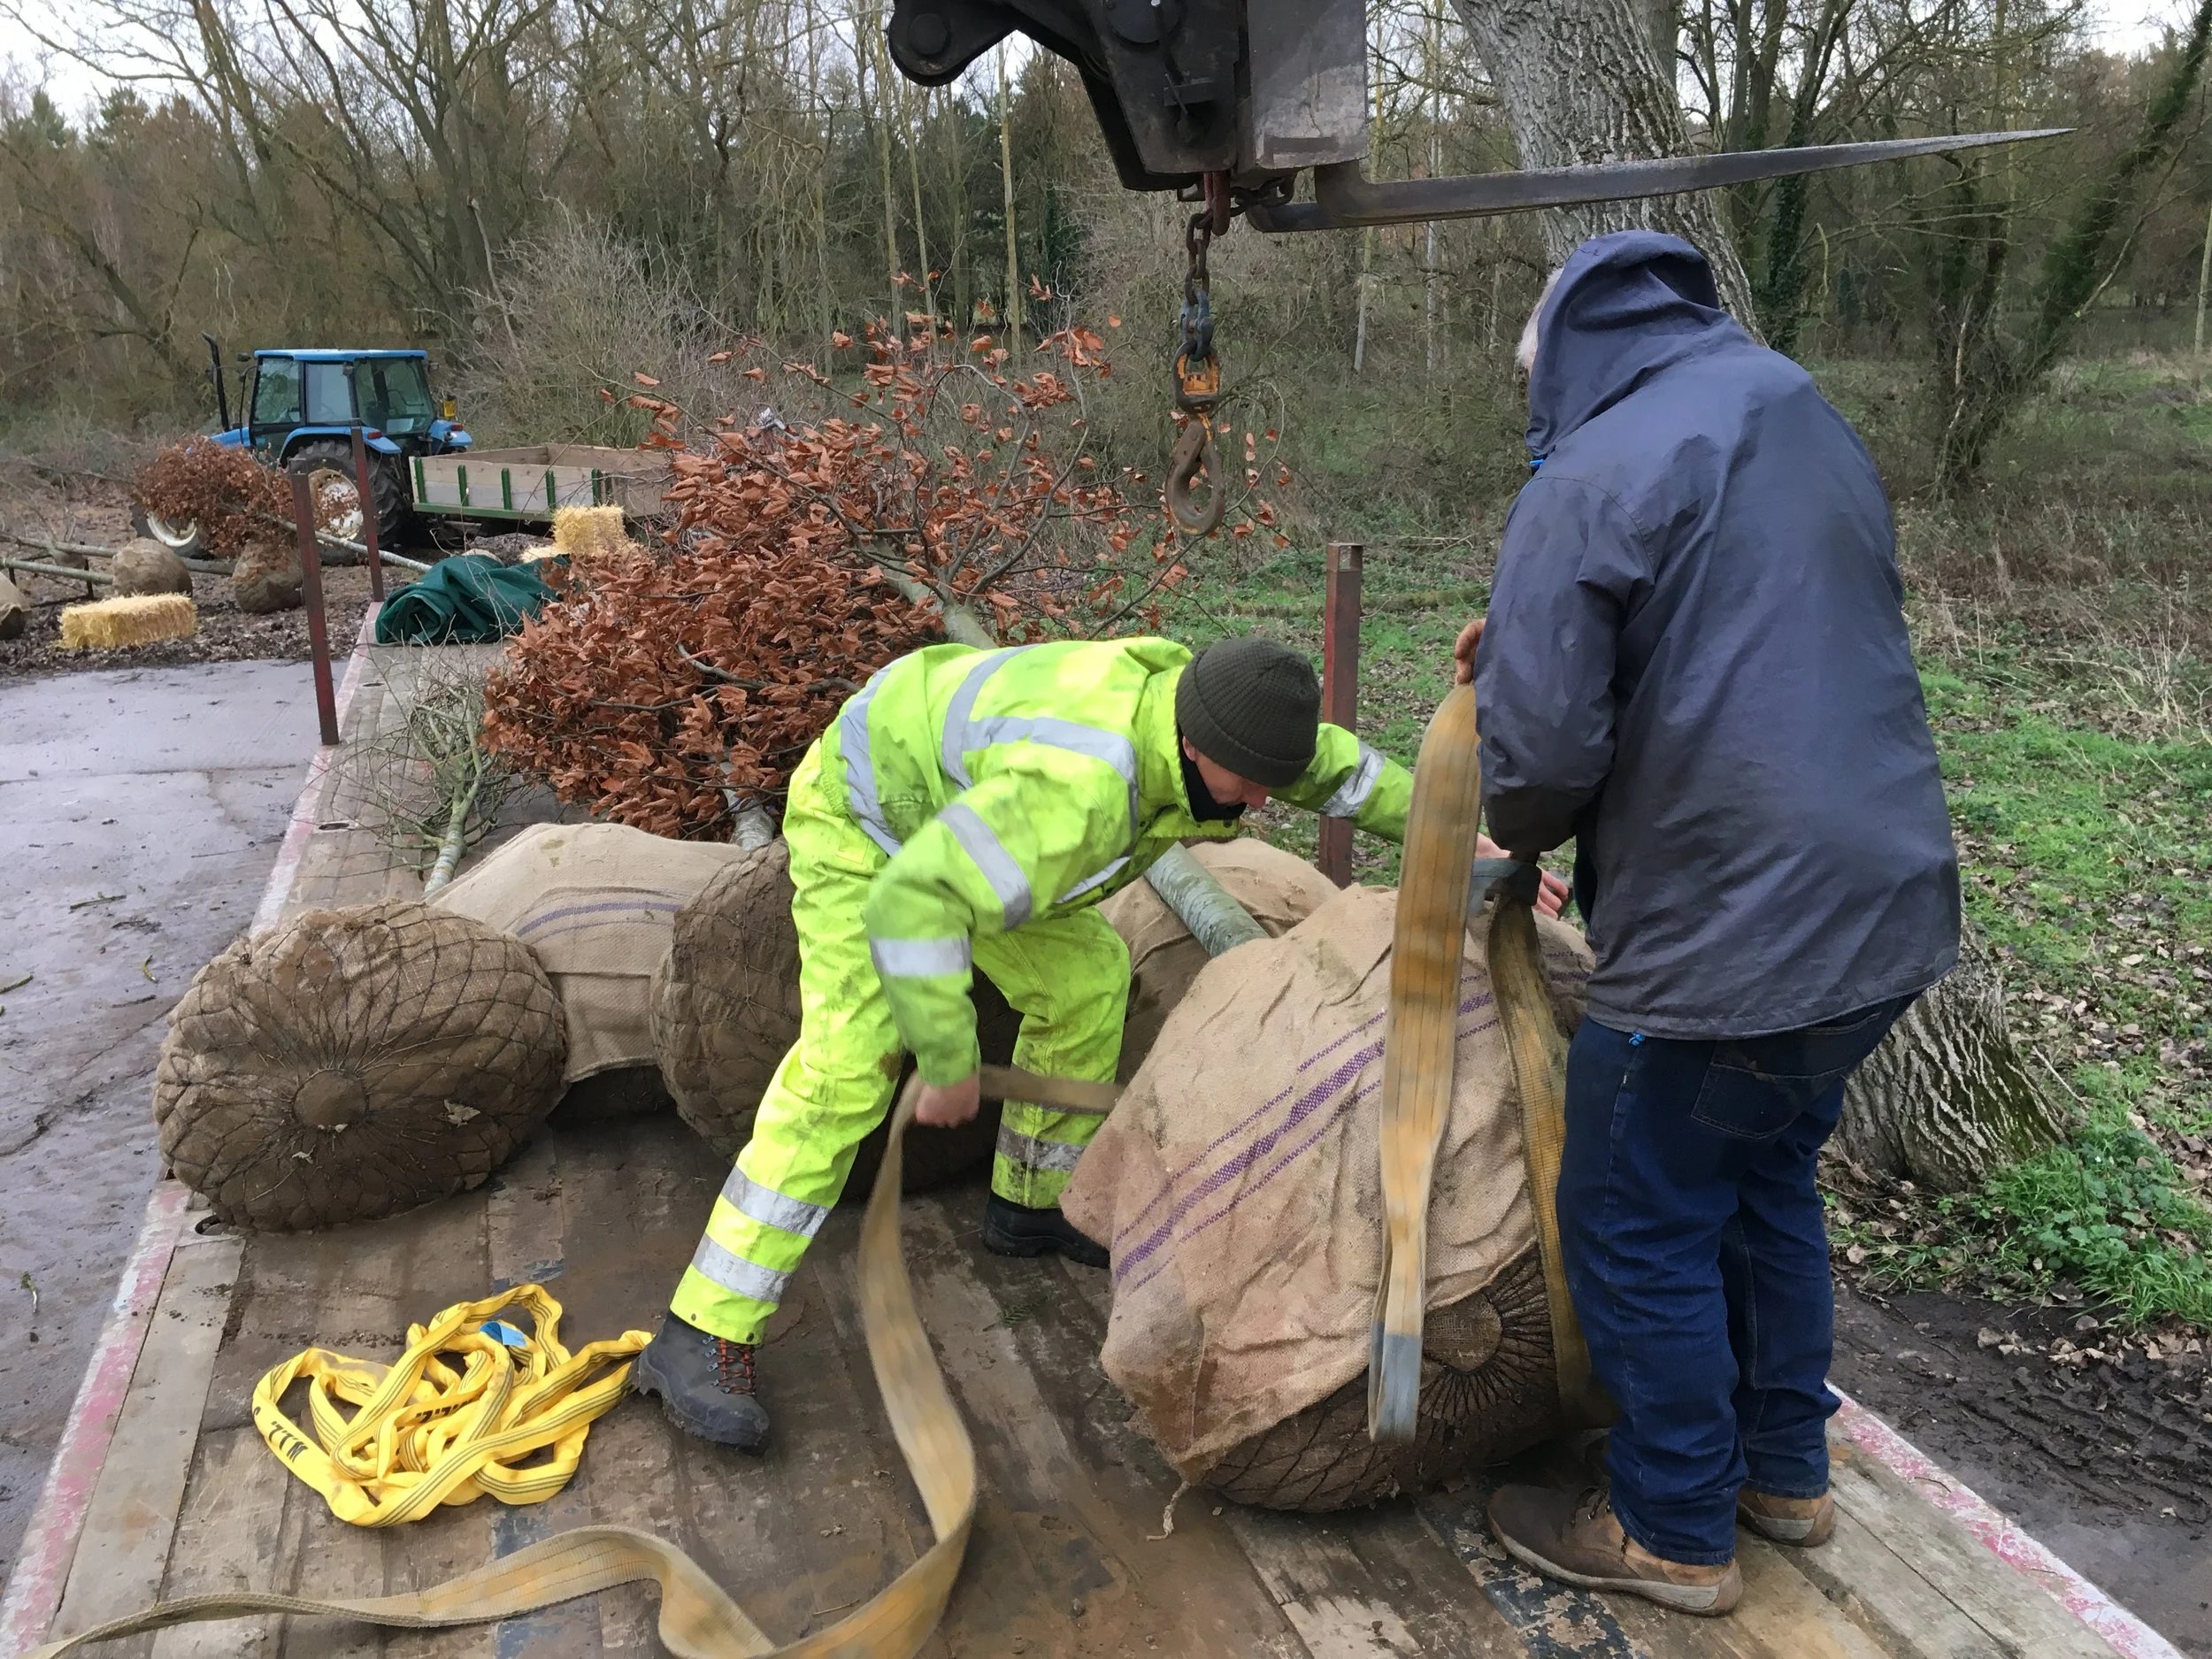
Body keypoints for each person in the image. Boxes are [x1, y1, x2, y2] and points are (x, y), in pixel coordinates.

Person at [634, 634, 1562, 1448]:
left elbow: (1343, 773)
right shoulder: (1079, 792)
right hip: (879, 832)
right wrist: (949, 1057)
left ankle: (1029, 1205)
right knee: (849, 1069)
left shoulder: (1222, 714)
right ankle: (703, 1329)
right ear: (1197, 746)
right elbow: (911, 899)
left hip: (969, 827)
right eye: (1252, 785)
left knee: (1085, 979)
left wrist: (1457, 840)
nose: (1269, 804)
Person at [1462, 232, 1961, 1616]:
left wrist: (1520, 801)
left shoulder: (1591, 468)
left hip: (1740, 923)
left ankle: (1672, 1522)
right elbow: (1741, 631)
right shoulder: (1796, 410)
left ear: (1561, 357)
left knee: (1636, 1208)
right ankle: (1781, 1469)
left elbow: (1544, 756)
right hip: (1888, 910)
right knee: (1759, 1181)